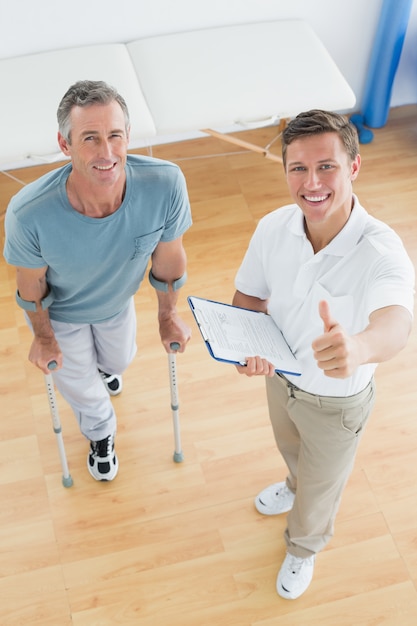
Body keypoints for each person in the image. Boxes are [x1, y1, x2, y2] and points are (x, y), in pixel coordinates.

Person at [232, 109, 414, 600]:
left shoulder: (383, 251)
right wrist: (249, 343)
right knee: (293, 453)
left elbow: (397, 323)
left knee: (321, 487)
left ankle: (304, 546)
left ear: (353, 167)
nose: (311, 183)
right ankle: (292, 483)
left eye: (326, 167)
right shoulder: (274, 227)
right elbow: (249, 296)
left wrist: (359, 346)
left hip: (337, 404)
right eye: (298, 168)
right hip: (281, 377)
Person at [3, 80, 192, 482]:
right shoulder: (28, 213)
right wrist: (44, 337)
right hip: (61, 314)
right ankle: (100, 432)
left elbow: (170, 259)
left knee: (118, 361)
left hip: (116, 301)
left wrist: (167, 315)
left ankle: (103, 372)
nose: (106, 153)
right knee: (86, 391)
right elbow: (31, 288)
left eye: (115, 136)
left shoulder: (166, 184)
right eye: (90, 139)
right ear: (64, 143)